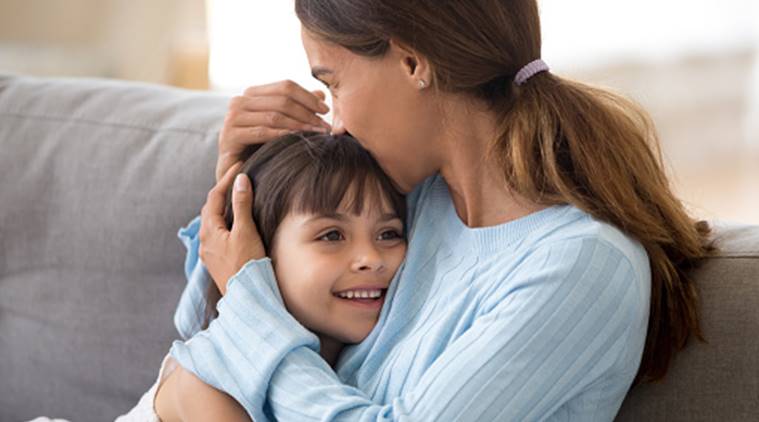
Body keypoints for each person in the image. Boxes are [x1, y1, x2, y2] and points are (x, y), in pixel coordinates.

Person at [161, 1, 714, 420]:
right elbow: (200, 339)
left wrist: (249, 302)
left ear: (410, 61)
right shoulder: (409, 204)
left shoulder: (579, 266)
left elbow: (227, 353)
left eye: (334, 82)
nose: (337, 123)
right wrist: (241, 189)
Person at [116, 132, 408, 421]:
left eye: (388, 234)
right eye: (332, 235)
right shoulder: (210, 382)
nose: (371, 258)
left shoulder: (366, 372)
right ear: (257, 253)